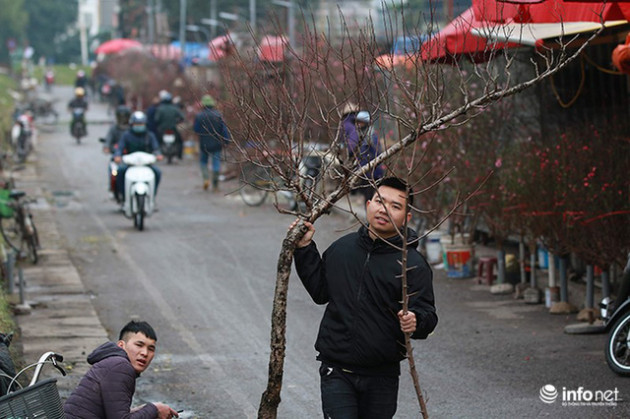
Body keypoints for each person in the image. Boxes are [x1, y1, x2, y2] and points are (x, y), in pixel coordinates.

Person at [291, 177, 438, 418]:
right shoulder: (342, 249)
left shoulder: (412, 265)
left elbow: (427, 316)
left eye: (395, 206)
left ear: (407, 217)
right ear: (368, 204)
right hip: (336, 369)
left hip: (382, 375)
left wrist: (416, 321)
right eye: (380, 201)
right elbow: (320, 292)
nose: (384, 210)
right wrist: (305, 249)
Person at [63, 320, 179, 418]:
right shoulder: (120, 367)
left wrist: (145, 409)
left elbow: (114, 413)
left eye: (151, 349)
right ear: (121, 346)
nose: (145, 353)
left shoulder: (114, 363)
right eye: (139, 345)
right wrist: (155, 409)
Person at [114, 111, 163, 201]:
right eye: (137, 124)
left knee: (157, 172)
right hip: (130, 163)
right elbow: (120, 148)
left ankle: (152, 196)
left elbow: (156, 148)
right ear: (132, 124)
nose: (139, 126)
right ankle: (124, 195)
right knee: (120, 172)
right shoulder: (126, 135)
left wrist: (158, 154)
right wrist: (117, 156)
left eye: (141, 124)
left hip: (146, 163)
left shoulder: (150, 135)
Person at [193, 94, 230, 191]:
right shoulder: (218, 115)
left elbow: (196, 129)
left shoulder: (199, 116)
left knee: (203, 162)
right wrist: (226, 141)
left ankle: (206, 179)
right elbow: (224, 130)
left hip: (204, 144)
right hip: (216, 144)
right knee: (216, 163)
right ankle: (215, 185)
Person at [348, 110, 385, 203]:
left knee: (371, 199)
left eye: (361, 122)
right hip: (365, 173)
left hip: (373, 174)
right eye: (358, 122)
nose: (359, 125)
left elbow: (376, 155)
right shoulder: (361, 136)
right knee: (367, 199)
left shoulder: (371, 137)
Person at [154, 90, 185, 160]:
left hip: (162, 129)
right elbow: (182, 117)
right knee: (180, 141)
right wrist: (177, 122)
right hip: (173, 128)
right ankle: (179, 156)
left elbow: (156, 119)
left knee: (157, 142)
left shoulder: (160, 109)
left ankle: (158, 155)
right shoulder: (175, 108)